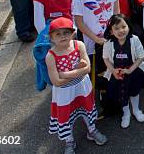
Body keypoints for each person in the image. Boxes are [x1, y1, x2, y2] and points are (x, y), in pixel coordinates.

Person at [45, 18, 107, 152]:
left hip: (82, 87)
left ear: (73, 33)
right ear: (51, 37)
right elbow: (56, 81)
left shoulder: (79, 45)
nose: (62, 36)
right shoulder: (50, 56)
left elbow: (87, 69)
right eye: (58, 34)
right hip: (64, 93)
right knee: (66, 115)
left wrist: (65, 74)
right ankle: (69, 140)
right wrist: (78, 71)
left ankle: (92, 130)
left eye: (66, 33)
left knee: (87, 108)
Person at [73, 0, 121, 79]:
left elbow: (116, 13)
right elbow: (79, 23)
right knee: (98, 72)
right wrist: (97, 39)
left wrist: (115, 32)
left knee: (115, 66)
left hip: (111, 36)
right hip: (92, 42)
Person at [102, 14, 144, 129]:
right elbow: (105, 58)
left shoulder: (134, 39)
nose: (121, 31)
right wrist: (113, 71)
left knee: (134, 91)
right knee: (121, 93)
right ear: (111, 31)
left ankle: (136, 110)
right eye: (116, 28)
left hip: (132, 72)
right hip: (117, 75)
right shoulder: (108, 43)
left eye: (123, 27)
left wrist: (130, 69)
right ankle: (126, 113)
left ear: (128, 27)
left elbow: (141, 56)